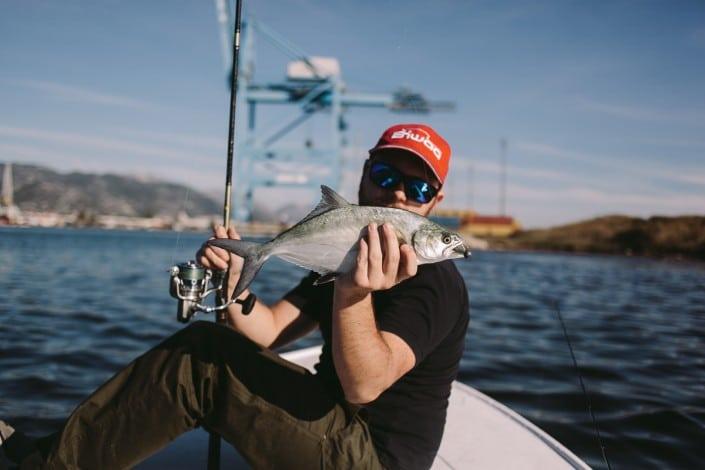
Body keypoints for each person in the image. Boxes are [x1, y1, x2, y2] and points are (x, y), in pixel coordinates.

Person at [0, 124, 469, 470]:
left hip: (372, 458)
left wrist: (352, 292)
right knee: (209, 341)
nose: (398, 197)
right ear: (366, 175)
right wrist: (236, 286)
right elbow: (272, 330)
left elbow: (364, 386)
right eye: (387, 175)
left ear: (433, 205)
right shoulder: (339, 250)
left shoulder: (435, 284)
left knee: (203, 359)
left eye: (419, 187)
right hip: (326, 422)